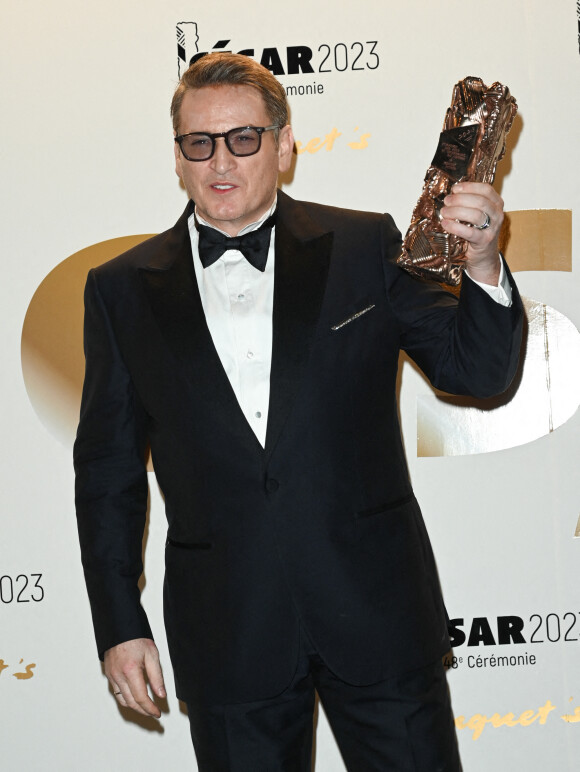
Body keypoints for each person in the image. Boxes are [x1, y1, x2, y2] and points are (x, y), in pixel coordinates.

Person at [74, 53, 523, 771]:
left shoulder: (365, 244)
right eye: (200, 142)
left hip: (378, 615)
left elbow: (478, 372)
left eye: (244, 138)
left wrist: (481, 266)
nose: (221, 160)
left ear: (285, 146)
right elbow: (107, 474)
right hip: (230, 632)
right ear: (180, 156)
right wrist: (118, 624)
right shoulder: (120, 290)